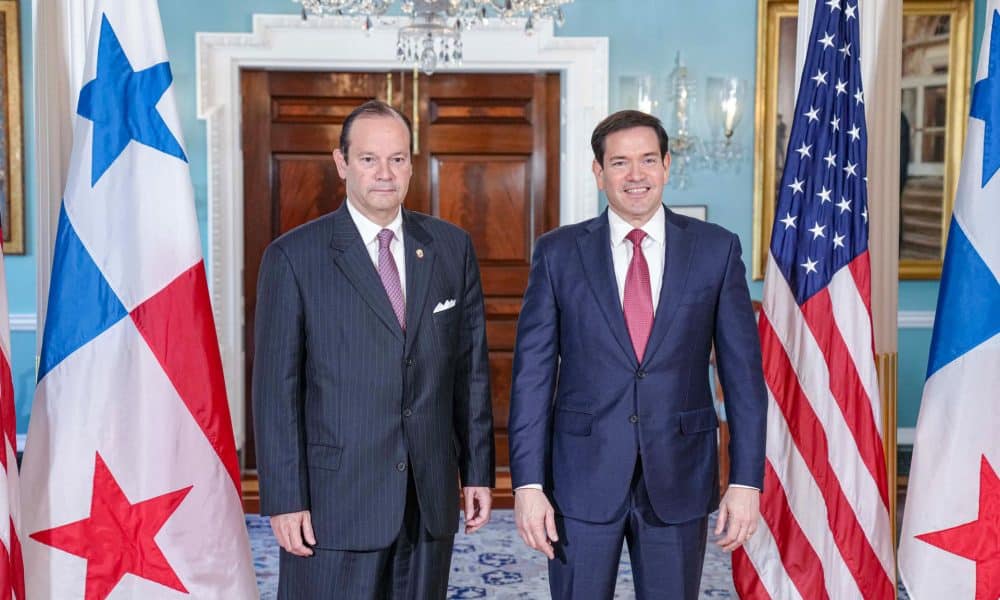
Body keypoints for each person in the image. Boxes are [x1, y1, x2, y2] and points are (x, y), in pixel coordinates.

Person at [508, 109, 767, 599]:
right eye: (621, 162)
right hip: (580, 476)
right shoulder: (558, 253)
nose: (636, 175)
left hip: (680, 474)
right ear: (598, 172)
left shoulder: (716, 250)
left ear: (667, 165)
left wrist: (746, 480)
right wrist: (527, 484)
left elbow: (744, 379)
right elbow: (532, 379)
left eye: (648, 160)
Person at [252, 100, 495, 599]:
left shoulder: (451, 247)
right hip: (333, 501)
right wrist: (284, 498)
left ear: (411, 163)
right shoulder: (293, 258)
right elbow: (276, 391)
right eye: (368, 159)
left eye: (398, 159)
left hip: (426, 497)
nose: (385, 173)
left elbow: (470, 372)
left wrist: (477, 471)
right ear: (341, 163)